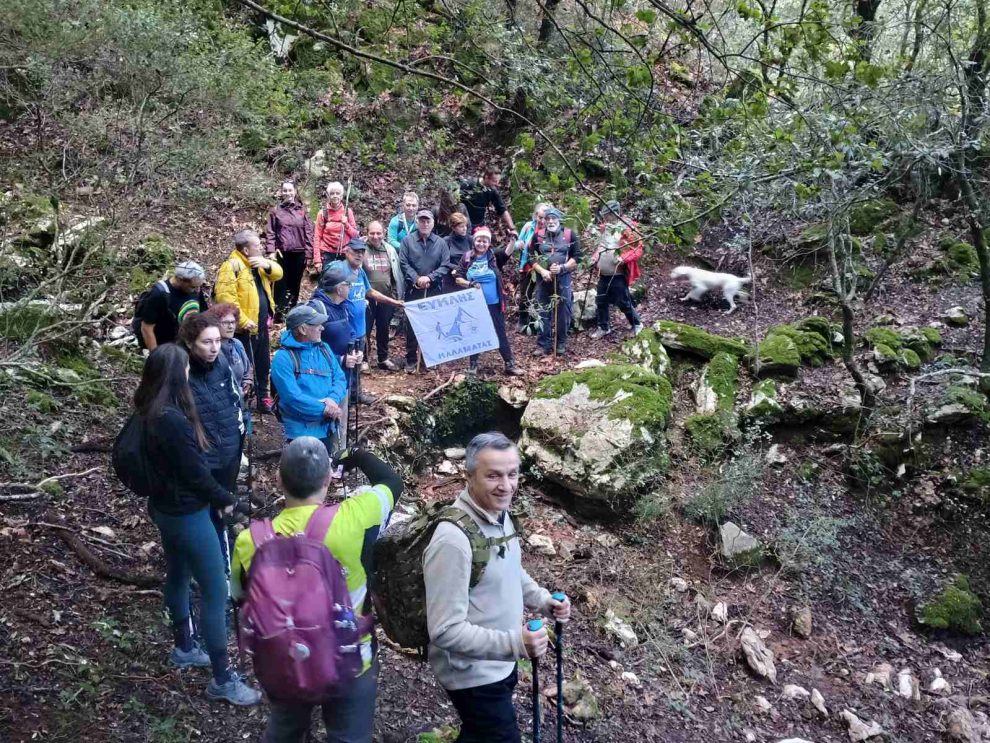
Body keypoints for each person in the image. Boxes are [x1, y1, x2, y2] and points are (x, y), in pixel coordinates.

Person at [231, 439, 403, 742]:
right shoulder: (356, 517)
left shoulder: (250, 540)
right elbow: (391, 482)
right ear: (328, 479)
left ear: (279, 479)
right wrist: (357, 455)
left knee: (285, 730)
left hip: (283, 659)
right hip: (351, 659)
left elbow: (241, 598)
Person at [132, 344, 260, 706]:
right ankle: (222, 678)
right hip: (187, 513)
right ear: (176, 373)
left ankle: (184, 647)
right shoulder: (170, 419)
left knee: (177, 572)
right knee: (216, 592)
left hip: (166, 508)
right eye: (185, 368)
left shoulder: (149, 408)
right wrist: (226, 499)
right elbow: (196, 474)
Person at [424, 432, 570, 742]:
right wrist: (516, 644)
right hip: (471, 674)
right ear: (469, 476)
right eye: (493, 476)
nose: (506, 485)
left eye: (512, 473)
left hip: (499, 661)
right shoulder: (452, 540)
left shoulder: (498, 514)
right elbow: (445, 630)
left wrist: (543, 600)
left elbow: (509, 570)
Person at [178, 314, 244, 578]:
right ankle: (205, 570)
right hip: (200, 460)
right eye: (207, 342)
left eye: (217, 341)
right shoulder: (180, 371)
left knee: (222, 513)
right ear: (190, 343)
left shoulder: (221, 364)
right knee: (203, 515)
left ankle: (222, 563)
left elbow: (233, 398)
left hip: (228, 453)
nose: (214, 348)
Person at [325, 237, 404, 400]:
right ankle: (340, 395)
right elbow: (325, 292)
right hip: (344, 328)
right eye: (356, 252)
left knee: (357, 362)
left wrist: (393, 302)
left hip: (359, 328)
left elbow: (370, 292)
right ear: (347, 252)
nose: (359, 255)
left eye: (362, 252)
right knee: (343, 363)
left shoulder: (360, 272)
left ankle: (356, 394)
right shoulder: (338, 270)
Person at [214, 229, 283, 414]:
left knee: (263, 364)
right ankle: (242, 400)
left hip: (261, 326)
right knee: (244, 367)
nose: (261, 248)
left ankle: (263, 399)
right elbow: (226, 299)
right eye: (257, 246)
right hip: (243, 331)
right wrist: (243, 321)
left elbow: (278, 274)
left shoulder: (257, 264)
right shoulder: (231, 267)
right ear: (246, 250)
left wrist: (267, 264)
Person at [270, 304, 348, 452]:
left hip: (327, 428)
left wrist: (333, 399)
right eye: (317, 324)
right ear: (302, 329)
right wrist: (324, 409)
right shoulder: (283, 358)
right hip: (300, 434)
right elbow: (292, 398)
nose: (322, 328)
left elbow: (340, 378)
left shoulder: (324, 348)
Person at [453, 227, 523, 377]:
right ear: (474, 241)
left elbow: (507, 252)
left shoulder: (493, 255)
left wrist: (512, 240)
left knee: (499, 332)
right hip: (474, 304)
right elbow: (458, 278)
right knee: (475, 332)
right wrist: (470, 284)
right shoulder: (467, 257)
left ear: (489, 243)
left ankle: (509, 364)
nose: (481, 244)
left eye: (485, 241)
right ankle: (473, 366)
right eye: (479, 240)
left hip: (494, 304)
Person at [399, 209, 450, 373]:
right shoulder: (408, 241)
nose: (425, 223)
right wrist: (416, 279)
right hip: (413, 291)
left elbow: (445, 265)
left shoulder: (441, 243)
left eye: (428, 221)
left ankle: (431, 359)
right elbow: (403, 263)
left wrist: (430, 278)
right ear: (417, 222)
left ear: (433, 223)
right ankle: (411, 360)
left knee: (433, 325)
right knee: (412, 326)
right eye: (421, 220)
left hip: (434, 290)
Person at [527, 207, 581, 356]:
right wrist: (542, 271)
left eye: (553, 218)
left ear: (559, 219)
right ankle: (543, 344)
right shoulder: (537, 236)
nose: (550, 221)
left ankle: (561, 342)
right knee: (543, 309)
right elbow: (531, 256)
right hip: (543, 279)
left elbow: (577, 257)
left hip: (563, 278)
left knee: (563, 310)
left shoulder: (569, 234)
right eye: (548, 218)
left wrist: (563, 267)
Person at [589, 200, 644, 339]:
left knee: (623, 301)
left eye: (608, 214)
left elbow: (638, 249)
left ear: (615, 213)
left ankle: (637, 324)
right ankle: (603, 327)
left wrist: (623, 258)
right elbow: (601, 245)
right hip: (604, 273)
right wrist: (595, 257)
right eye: (605, 214)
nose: (605, 217)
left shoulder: (628, 228)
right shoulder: (605, 228)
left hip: (618, 274)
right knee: (600, 300)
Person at [265, 181, 314, 319]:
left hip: (299, 252)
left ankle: (291, 311)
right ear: (281, 192)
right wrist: (270, 251)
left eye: (290, 190)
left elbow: (309, 232)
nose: (287, 193)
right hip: (281, 252)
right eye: (285, 190)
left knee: (295, 282)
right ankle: (279, 311)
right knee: (280, 281)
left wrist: (309, 253)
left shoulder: (303, 210)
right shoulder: (275, 211)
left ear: (295, 191)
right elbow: (271, 232)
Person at [135, 260, 208, 351]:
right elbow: (146, 328)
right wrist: (156, 355)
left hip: (187, 343)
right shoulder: (159, 294)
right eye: (193, 287)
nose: (197, 289)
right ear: (180, 279)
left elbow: (203, 313)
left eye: (199, 286)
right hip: (166, 345)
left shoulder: (196, 288)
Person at [204, 304, 253, 433]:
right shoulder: (211, 350)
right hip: (221, 408)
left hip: (242, 404)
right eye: (225, 323)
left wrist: (247, 382)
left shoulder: (237, 344)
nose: (231, 326)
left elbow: (248, 368)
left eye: (233, 322)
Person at [364, 221, 404, 371]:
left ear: (384, 233)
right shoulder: (361, 249)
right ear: (367, 233)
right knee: (365, 329)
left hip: (386, 296)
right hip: (366, 298)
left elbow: (395, 273)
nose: (375, 236)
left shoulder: (390, 249)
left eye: (378, 233)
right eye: (372, 233)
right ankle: (364, 359)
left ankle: (383, 358)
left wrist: (395, 294)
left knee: (383, 328)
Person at [506, 203, 548, 333]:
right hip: (527, 265)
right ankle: (523, 320)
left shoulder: (551, 230)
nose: (541, 220)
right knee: (525, 294)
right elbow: (521, 242)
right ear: (535, 215)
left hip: (542, 267)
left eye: (544, 218)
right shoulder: (529, 226)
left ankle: (539, 324)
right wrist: (515, 244)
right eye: (539, 217)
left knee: (540, 295)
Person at [314, 181, 358, 272]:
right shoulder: (323, 213)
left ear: (341, 196)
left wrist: (346, 224)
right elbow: (317, 237)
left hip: (345, 253)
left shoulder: (348, 212)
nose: (335, 196)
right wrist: (317, 260)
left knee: (345, 282)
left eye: (337, 193)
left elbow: (355, 235)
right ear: (328, 195)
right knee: (328, 282)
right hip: (327, 253)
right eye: (332, 193)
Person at [459, 166, 517, 236]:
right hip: (464, 223)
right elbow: (457, 202)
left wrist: (512, 228)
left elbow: (502, 209)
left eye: (498, 181)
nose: (497, 184)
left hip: (479, 225)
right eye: (494, 181)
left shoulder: (492, 190)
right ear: (486, 177)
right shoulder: (469, 185)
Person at [443, 212, 473, 292]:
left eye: (465, 226)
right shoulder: (446, 241)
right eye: (461, 226)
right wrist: (456, 268)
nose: (465, 229)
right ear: (453, 228)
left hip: (467, 276)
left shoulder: (471, 240)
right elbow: (443, 261)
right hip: (450, 277)